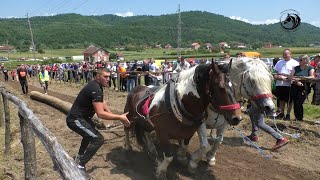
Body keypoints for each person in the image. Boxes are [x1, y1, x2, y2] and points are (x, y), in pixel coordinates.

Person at [66, 68, 130, 175]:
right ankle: (80, 166)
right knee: (98, 139)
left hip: (84, 118)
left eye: (109, 77)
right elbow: (100, 114)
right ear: (97, 77)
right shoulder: (95, 89)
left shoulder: (96, 86)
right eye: (105, 77)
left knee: (89, 135)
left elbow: (102, 101)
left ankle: (79, 157)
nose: (108, 79)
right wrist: (119, 117)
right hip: (76, 119)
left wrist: (111, 113)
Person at [273, 49, 299, 120]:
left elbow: (296, 75)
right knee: (281, 100)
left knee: (289, 101)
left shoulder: (295, 63)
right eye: (284, 54)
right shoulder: (279, 62)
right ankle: (282, 113)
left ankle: (288, 114)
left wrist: (286, 79)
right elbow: (275, 72)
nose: (285, 55)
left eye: (287, 54)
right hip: (279, 84)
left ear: (290, 54)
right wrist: (277, 76)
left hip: (289, 84)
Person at [289, 55, 314, 121]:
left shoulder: (310, 67)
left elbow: (312, 76)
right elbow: (290, 76)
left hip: (304, 87)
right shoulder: (296, 68)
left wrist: (301, 78)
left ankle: (299, 117)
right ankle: (297, 117)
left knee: (299, 102)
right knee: (295, 101)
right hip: (295, 85)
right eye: (298, 59)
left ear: (305, 60)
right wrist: (296, 81)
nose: (299, 61)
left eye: (300, 60)